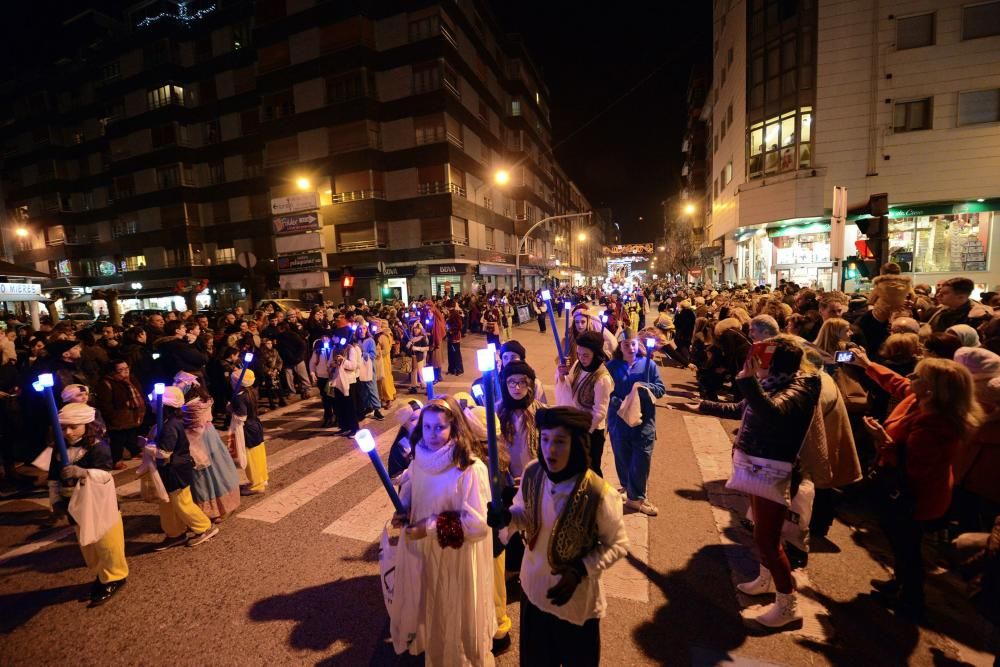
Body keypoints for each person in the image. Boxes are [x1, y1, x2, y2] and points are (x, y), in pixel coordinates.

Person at [694, 335, 821, 629]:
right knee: (764, 535)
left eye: (759, 362)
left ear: (773, 363)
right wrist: (702, 405)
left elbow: (772, 412)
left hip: (773, 470)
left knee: (767, 538)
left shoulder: (799, 388)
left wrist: (748, 381)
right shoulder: (775, 382)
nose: (754, 366)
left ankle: (788, 605)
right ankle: (766, 580)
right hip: (756, 465)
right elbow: (743, 408)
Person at [487, 406, 628, 666]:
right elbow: (523, 511)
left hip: (574, 602)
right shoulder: (532, 473)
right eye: (546, 439)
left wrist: (581, 569)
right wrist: (507, 518)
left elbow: (617, 545)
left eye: (560, 442)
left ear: (576, 445)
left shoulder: (600, 493)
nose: (550, 450)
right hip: (534, 591)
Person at [854, 348, 982, 621]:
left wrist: (882, 439)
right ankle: (899, 582)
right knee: (898, 541)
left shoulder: (936, 424)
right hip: (903, 489)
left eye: (919, 376)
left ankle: (911, 600)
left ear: (932, 390)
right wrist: (868, 364)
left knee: (907, 547)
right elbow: (898, 383)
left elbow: (913, 468)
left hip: (915, 497)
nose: (911, 376)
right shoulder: (919, 400)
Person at [389, 397, 496, 664]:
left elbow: (477, 525)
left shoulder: (470, 468)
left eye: (440, 427)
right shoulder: (417, 462)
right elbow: (411, 494)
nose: (433, 434)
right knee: (432, 608)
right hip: (426, 552)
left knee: (456, 613)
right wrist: (402, 511)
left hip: (455, 556)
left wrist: (429, 527)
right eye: (427, 427)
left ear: (454, 428)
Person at [55, 402, 129, 607]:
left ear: (86, 425)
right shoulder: (59, 450)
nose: (68, 432)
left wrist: (82, 472)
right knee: (88, 545)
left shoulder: (98, 447)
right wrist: (55, 500)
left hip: (100, 505)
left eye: (73, 427)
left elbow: (105, 475)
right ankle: (102, 574)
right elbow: (54, 477)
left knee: (107, 543)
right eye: (63, 427)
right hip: (76, 506)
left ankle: (115, 577)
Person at [149, 386, 220, 550]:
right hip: (169, 471)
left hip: (176, 471)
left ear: (163, 406)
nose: (151, 404)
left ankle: (204, 527)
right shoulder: (168, 423)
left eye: (154, 401)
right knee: (167, 504)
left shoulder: (170, 426)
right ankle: (175, 533)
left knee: (182, 502)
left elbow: (164, 453)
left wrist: (150, 448)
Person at [606, 330, 666, 516]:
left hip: (644, 422)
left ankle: (638, 498)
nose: (630, 348)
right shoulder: (611, 366)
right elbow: (604, 390)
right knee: (622, 458)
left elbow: (660, 389)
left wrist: (644, 389)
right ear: (620, 347)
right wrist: (620, 401)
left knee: (641, 460)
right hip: (619, 422)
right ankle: (628, 489)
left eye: (633, 344)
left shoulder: (649, 365)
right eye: (626, 345)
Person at [176, 373, 240, 521]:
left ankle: (214, 509)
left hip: (196, 438)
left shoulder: (190, 406)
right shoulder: (205, 397)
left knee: (203, 475)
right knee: (218, 468)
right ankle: (224, 504)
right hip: (210, 434)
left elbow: (183, 419)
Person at [555, 331, 613, 478]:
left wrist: (584, 431)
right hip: (576, 426)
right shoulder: (578, 365)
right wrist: (562, 375)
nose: (581, 358)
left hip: (591, 432)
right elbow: (569, 387)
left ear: (595, 353)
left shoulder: (602, 378)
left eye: (585, 355)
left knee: (591, 469)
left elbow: (600, 412)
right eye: (579, 354)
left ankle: (597, 498)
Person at [95, 360, 145, 468]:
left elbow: (139, 393)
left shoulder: (131, 379)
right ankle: (116, 459)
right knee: (118, 438)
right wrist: (113, 415)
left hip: (131, 414)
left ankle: (134, 451)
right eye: (121, 369)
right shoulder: (106, 383)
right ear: (113, 371)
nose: (125, 371)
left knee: (131, 433)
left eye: (126, 368)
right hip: (118, 416)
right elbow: (105, 403)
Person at [229, 370, 269, 496]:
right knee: (259, 455)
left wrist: (230, 409)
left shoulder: (240, 397)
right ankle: (261, 479)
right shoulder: (252, 391)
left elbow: (241, 415)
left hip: (247, 430)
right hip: (255, 425)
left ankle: (256, 485)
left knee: (251, 459)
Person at [329, 334, 360, 437]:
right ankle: (344, 427)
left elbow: (353, 365)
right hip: (337, 381)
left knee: (350, 406)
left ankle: (354, 429)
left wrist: (343, 360)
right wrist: (332, 364)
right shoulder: (334, 349)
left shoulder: (350, 349)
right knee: (340, 406)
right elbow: (329, 363)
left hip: (348, 381)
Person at [406, 321, 430, 394]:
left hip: (419, 358)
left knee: (421, 373)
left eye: (417, 329)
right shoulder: (413, 338)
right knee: (413, 372)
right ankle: (414, 386)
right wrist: (409, 344)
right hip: (413, 357)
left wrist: (416, 348)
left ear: (420, 330)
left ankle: (426, 387)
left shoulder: (422, 338)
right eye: (415, 329)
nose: (416, 330)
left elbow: (426, 348)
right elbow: (407, 348)